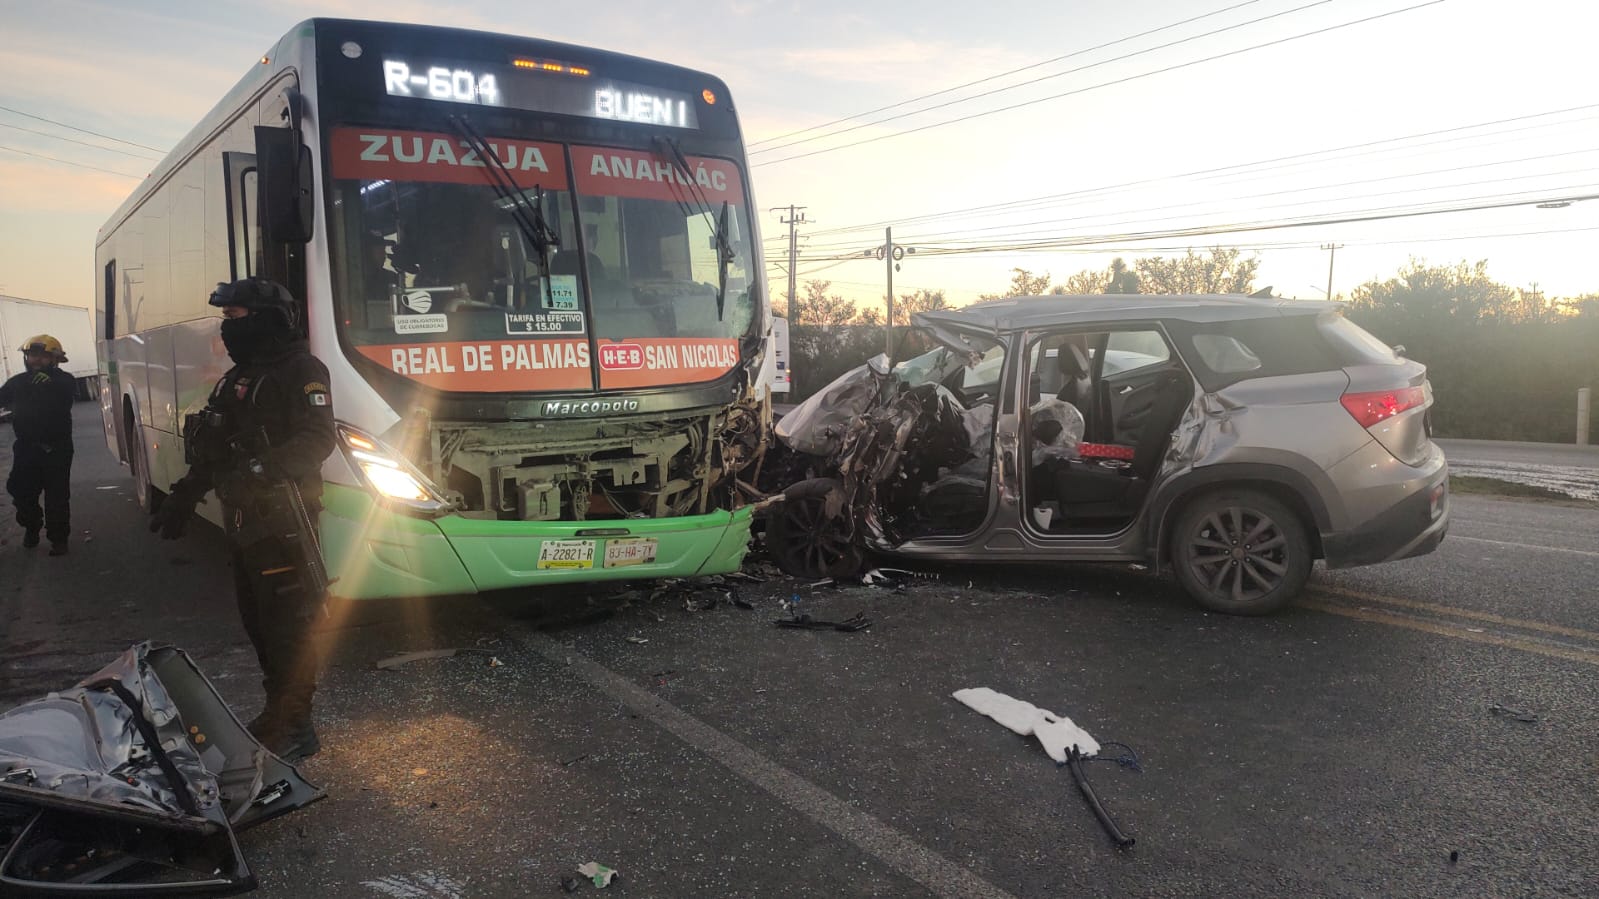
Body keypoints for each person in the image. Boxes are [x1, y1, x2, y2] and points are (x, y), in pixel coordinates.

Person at [148, 278, 336, 762]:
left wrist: (260, 471)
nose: (227, 327)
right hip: (244, 522)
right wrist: (186, 493)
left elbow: (317, 439)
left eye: (234, 316)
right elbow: (214, 445)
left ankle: (296, 725)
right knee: (258, 623)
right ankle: (279, 713)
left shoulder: (301, 370)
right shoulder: (238, 377)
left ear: (267, 317)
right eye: (225, 317)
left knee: (286, 627)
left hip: (283, 523)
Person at [1, 335, 77, 555]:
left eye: (42, 356)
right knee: (20, 491)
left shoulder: (65, 380)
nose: (36, 360)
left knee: (57, 496)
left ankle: (59, 540)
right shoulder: (17, 382)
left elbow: (66, 391)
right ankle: (31, 525)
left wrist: (50, 382)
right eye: (32, 355)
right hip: (26, 448)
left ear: (54, 359)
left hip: (57, 448)